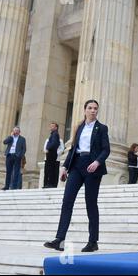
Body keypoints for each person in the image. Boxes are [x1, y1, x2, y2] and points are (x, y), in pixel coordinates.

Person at [44, 99, 110, 253]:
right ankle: (59, 239)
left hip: (92, 167)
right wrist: (65, 166)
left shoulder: (101, 128)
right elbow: (74, 148)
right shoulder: (79, 127)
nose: (93, 110)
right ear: (85, 110)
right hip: (77, 165)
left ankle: (93, 241)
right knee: (67, 201)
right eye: (90, 108)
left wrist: (97, 162)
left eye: (95, 108)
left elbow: (106, 150)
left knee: (90, 203)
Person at [43, 122, 61, 188]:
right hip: (52, 153)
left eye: (53, 126)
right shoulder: (53, 134)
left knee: (50, 169)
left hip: (51, 153)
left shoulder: (55, 134)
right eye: (50, 126)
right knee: (50, 169)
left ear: (56, 128)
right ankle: (49, 183)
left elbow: (54, 143)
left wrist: (48, 148)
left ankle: (50, 184)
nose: (51, 127)